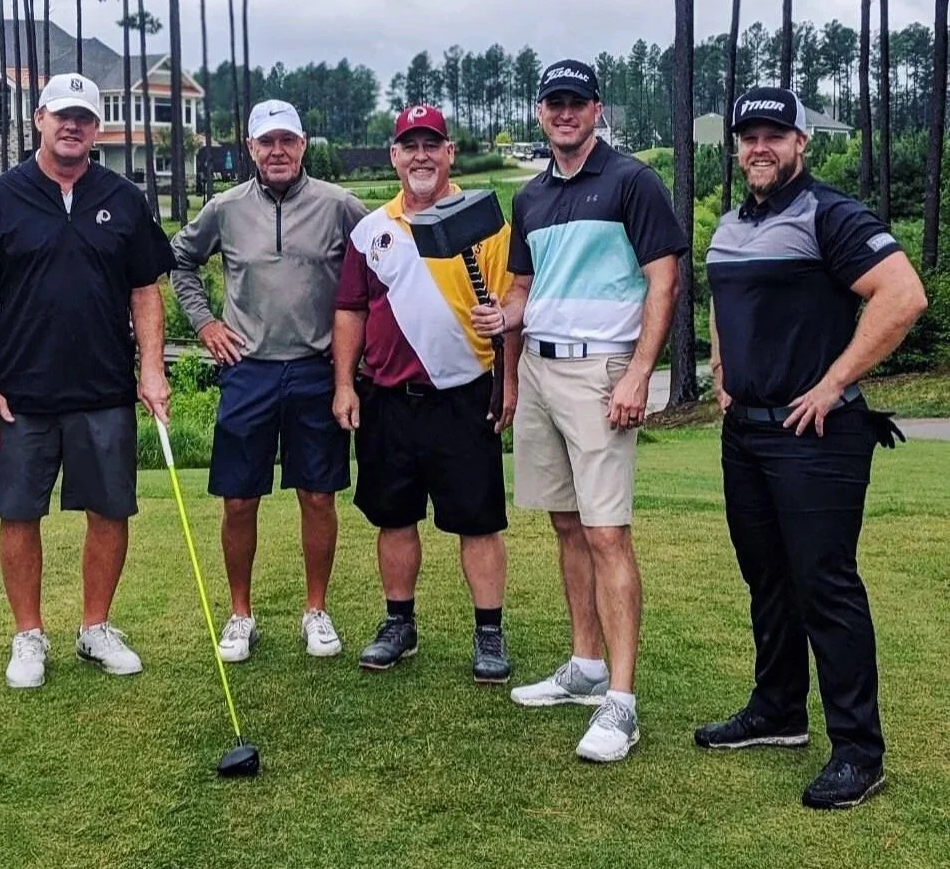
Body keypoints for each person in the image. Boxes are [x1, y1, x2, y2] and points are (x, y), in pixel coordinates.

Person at [697, 87, 928, 809]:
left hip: (816, 437)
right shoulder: (730, 224)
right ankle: (777, 710)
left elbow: (902, 293)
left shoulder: (829, 213)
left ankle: (858, 750)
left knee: (823, 585)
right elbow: (723, 302)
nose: (758, 146)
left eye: (773, 133)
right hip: (748, 432)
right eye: (747, 135)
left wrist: (833, 382)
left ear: (800, 142)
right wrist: (723, 371)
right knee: (766, 577)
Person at [473, 59, 686, 761]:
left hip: (602, 372)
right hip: (537, 366)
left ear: (596, 108)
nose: (563, 114)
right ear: (540, 112)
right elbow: (523, 293)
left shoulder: (631, 181)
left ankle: (620, 701)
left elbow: (664, 283)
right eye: (552, 103)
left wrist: (639, 375)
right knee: (565, 523)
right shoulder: (529, 197)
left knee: (605, 534)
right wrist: (497, 322)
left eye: (575, 102)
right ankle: (585, 666)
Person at [0, 72, 175, 689]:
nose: (72, 126)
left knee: (109, 509)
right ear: (39, 118)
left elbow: (146, 290)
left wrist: (151, 367)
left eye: (85, 118)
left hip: (105, 389)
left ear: (98, 129)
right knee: (18, 513)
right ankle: (28, 635)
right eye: (61, 115)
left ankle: (95, 627)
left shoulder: (123, 197)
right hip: (19, 393)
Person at [170, 99, 366, 662]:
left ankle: (316, 610)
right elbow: (179, 259)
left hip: (318, 370)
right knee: (238, 499)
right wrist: (205, 322)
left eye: (287, 140)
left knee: (318, 494)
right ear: (251, 149)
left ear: (303, 145)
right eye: (266, 142)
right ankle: (240, 614)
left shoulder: (339, 206)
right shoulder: (225, 209)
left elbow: (382, 261)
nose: (277, 151)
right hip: (247, 370)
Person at [332, 104, 518, 683]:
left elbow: (513, 312)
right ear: (394, 156)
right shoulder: (372, 231)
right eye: (409, 146)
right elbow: (350, 310)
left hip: (463, 396)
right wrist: (344, 384)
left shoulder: (486, 225)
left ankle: (489, 631)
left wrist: (508, 381)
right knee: (394, 516)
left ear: (449, 153)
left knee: (478, 521)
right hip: (389, 396)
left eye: (431, 145)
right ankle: (399, 623)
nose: (420, 156)